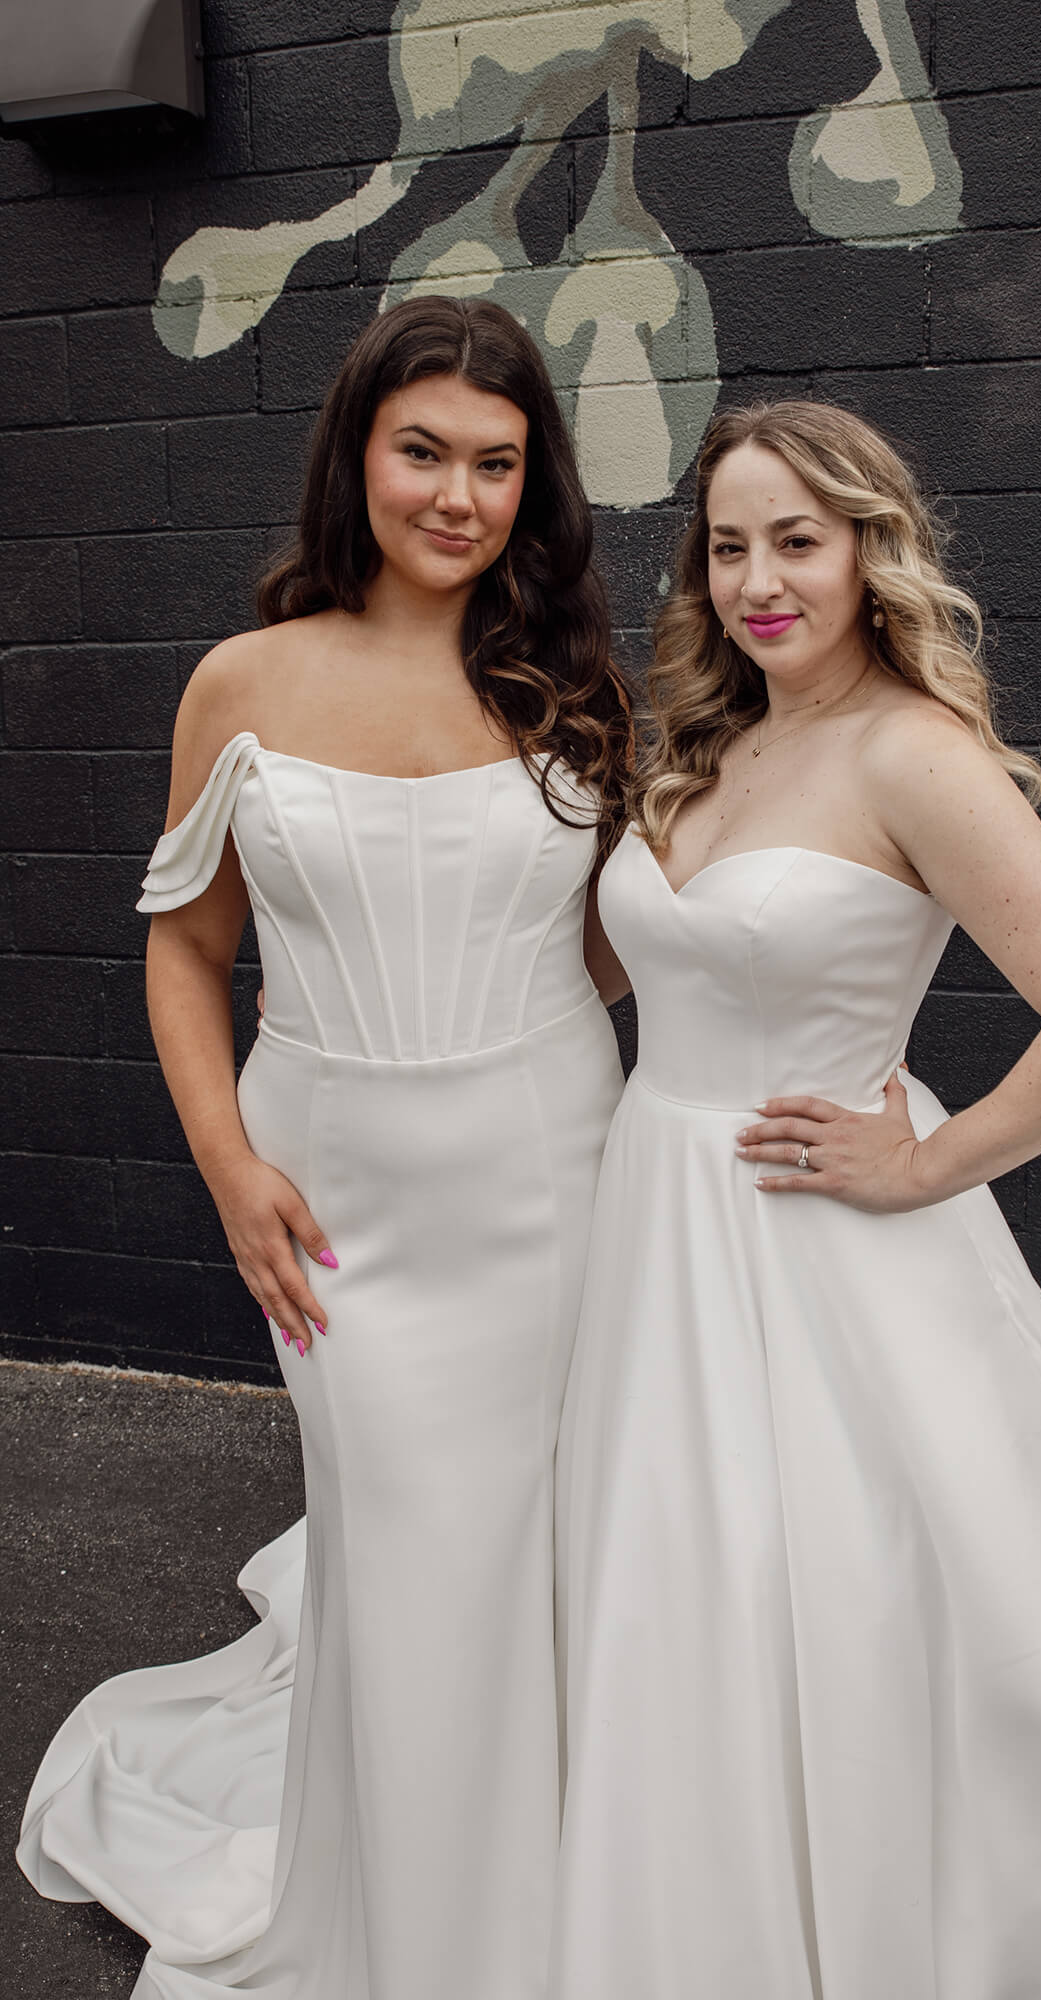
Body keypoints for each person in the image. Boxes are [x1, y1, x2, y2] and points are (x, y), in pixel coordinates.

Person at [551, 399, 1041, 1999]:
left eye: (798, 540)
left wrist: (917, 1158)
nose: (761, 578)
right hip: (657, 1216)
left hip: (826, 1232)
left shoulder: (914, 751)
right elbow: (628, 963)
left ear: (866, 549)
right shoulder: (705, 737)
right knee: (683, 1562)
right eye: (729, 545)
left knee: (860, 1584)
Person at [18, 297, 631, 2000]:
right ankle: (422, 1915)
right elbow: (183, 946)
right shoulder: (245, 683)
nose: (458, 494)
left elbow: (616, 946)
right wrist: (226, 1169)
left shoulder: (576, 679)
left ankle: (576, 1862)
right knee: (414, 1534)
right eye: (422, 450)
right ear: (355, 452)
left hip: (551, 1163)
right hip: (333, 1188)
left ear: (536, 483)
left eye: (497, 463)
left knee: (545, 1531)